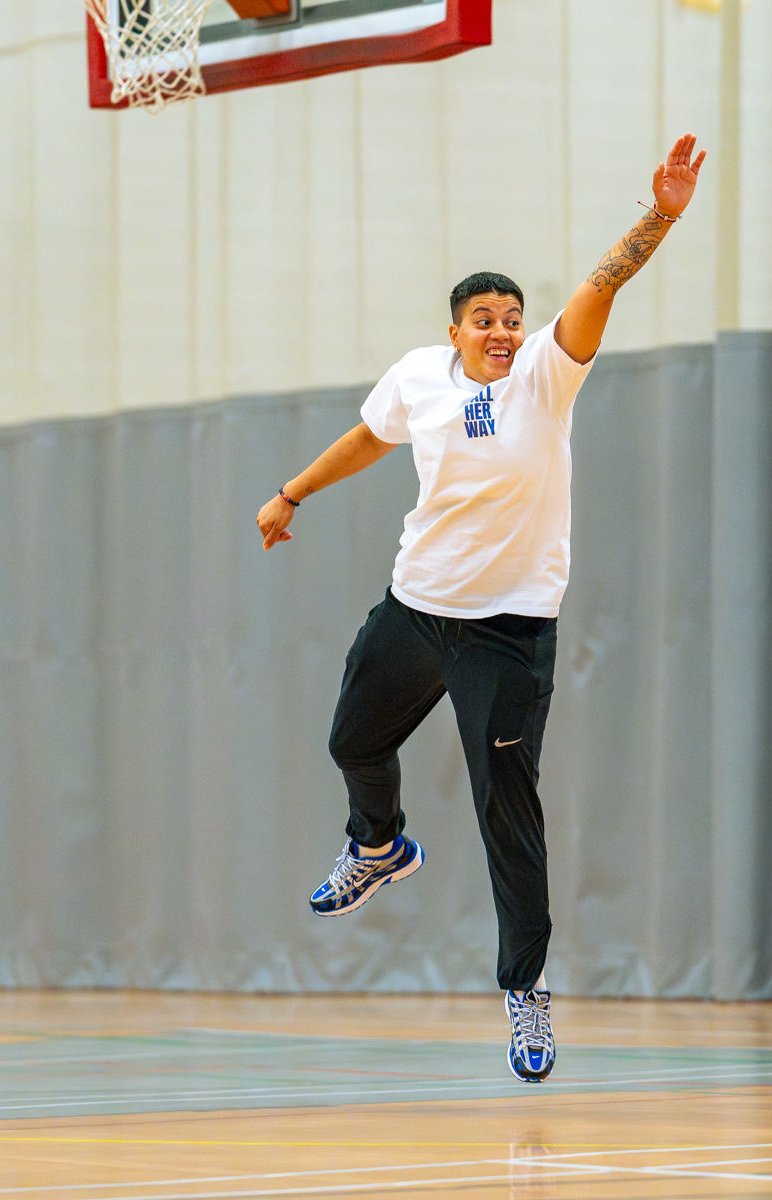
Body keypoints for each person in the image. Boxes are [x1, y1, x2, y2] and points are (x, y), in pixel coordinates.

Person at [257, 135, 706, 1083]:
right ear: (455, 331)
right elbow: (367, 438)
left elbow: (601, 286)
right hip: (417, 608)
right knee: (352, 743)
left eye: (512, 318)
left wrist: (659, 216)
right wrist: (293, 492)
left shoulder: (548, 373)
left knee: (508, 811)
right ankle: (378, 846)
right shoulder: (418, 377)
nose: (502, 330)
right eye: (484, 319)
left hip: (507, 632)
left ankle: (525, 992)